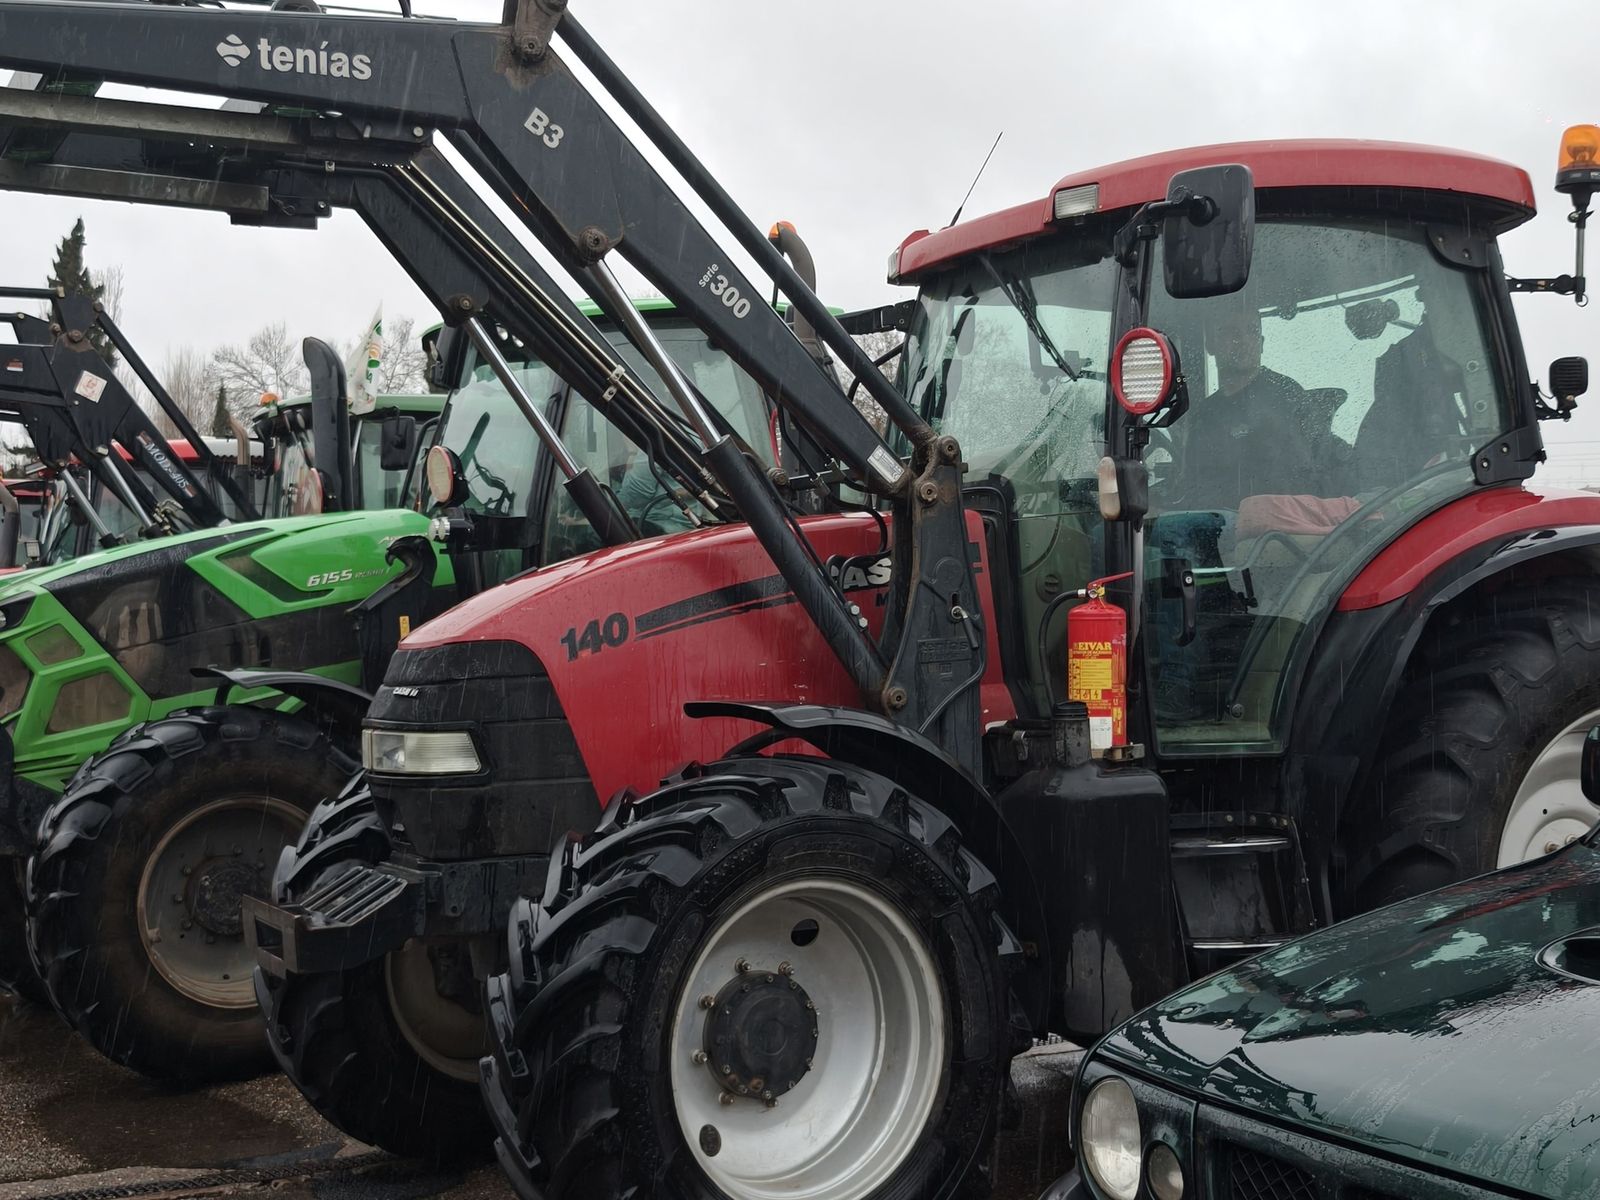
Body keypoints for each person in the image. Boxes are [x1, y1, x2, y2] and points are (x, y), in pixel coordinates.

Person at [1168, 306, 1323, 511]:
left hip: (1278, 530)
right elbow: (1192, 485)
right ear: (1211, 344)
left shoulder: (1287, 397)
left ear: (1262, 344)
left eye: (1252, 331)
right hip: (1215, 527)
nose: (1243, 341)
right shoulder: (1204, 414)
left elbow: (1306, 480)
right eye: (1231, 332)